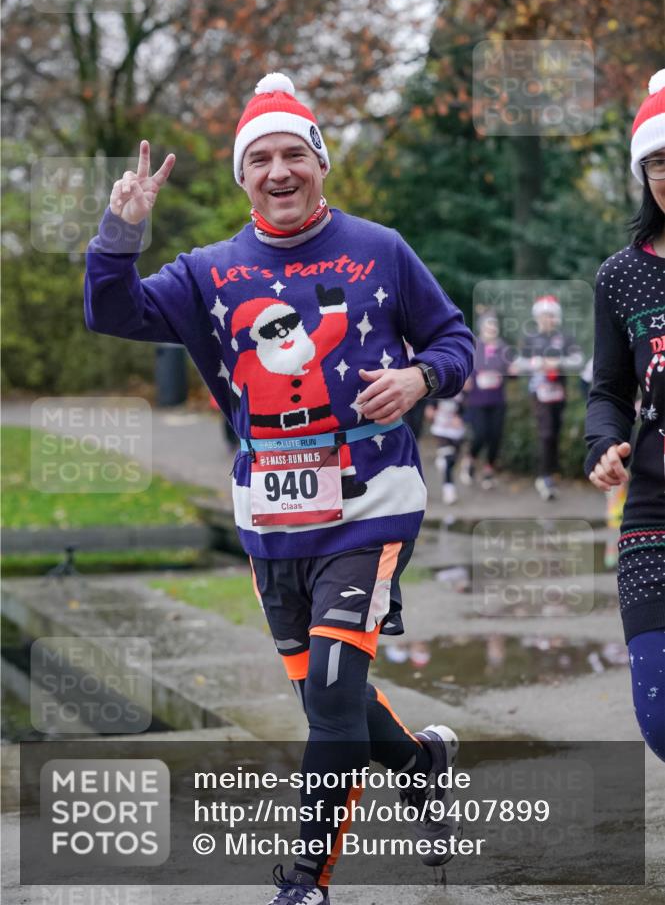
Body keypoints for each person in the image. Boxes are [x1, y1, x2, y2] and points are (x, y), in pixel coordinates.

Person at [84, 73, 475, 902]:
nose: (278, 171)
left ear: (320, 161)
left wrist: (417, 380)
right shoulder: (207, 274)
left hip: (373, 500)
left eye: (293, 152)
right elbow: (112, 314)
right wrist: (120, 233)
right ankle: (421, 762)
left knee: (332, 697)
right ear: (242, 176)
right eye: (258, 158)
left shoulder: (380, 250)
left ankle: (306, 882)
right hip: (272, 515)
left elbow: (452, 339)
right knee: (328, 694)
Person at [585, 68, 665, 762]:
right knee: (660, 718)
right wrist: (603, 443)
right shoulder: (620, 276)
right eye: (660, 162)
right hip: (653, 510)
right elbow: (608, 387)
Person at [514, 295, 583, 501]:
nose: (547, 319)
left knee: (554, 432)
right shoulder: (530, 338)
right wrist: (537, 363)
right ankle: (544, 476)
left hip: (559, 392)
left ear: (556, 318)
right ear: (537, 317)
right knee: (545, 433)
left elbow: (578, 359)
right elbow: (519, 362)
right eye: (544, 316)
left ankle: (550, 472)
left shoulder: (566, 337)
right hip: (539, 392)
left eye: (551, 316)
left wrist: (558, 362)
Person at [461, 312, 509, 490]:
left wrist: (512, 370)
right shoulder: (474, 346)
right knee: (480, 435)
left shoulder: (503, 347)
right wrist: (466, 378)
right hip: (477, 400)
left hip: (497, 400)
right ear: (481, 327)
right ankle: (470, 459)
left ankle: (488, 471)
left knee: (495, 436)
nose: (491, 328)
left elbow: (510, 371)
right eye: (488, 325)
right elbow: (464, 366)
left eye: (494, 325)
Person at [428, 392, 466, 504]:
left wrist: (460, 418)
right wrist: (431, 412)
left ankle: (442, 457)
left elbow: (470, 410)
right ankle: (449, 490)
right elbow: (429, 410)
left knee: (453, 460)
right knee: (449, 459)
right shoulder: (438, 389)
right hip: (441, 430)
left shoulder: (462, 392)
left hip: (456, 432)